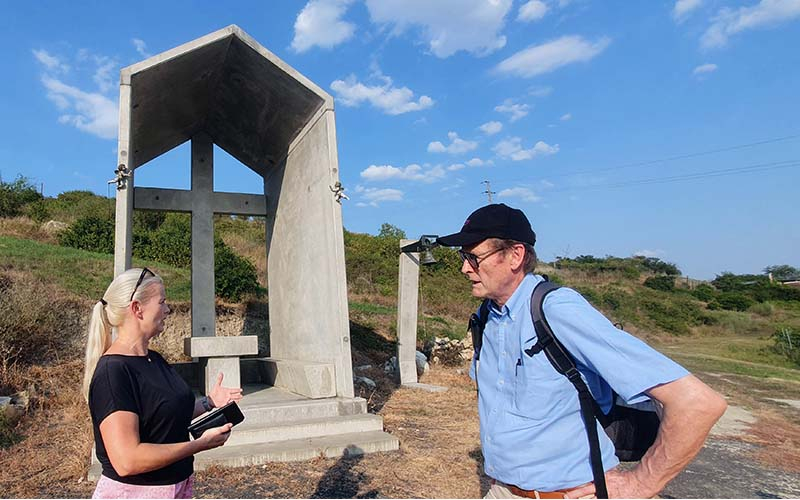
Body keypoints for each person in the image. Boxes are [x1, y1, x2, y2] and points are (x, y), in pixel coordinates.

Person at [437, 204, 727, 499]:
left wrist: (641, 484)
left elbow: (697, 403)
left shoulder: (557, 310)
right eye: (463, 256)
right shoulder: (487, 317)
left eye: (474, 257)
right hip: (504, 491)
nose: (464, 268)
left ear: (515, 255)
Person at [82, 267, 243, 499]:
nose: (168, 310)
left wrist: (209, 403)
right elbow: (127, 460)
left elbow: (162, 415)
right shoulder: (113, 372)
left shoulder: (154, 359)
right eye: (162, 302)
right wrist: (199, 444)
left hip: (176, 487)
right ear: (137, 309)